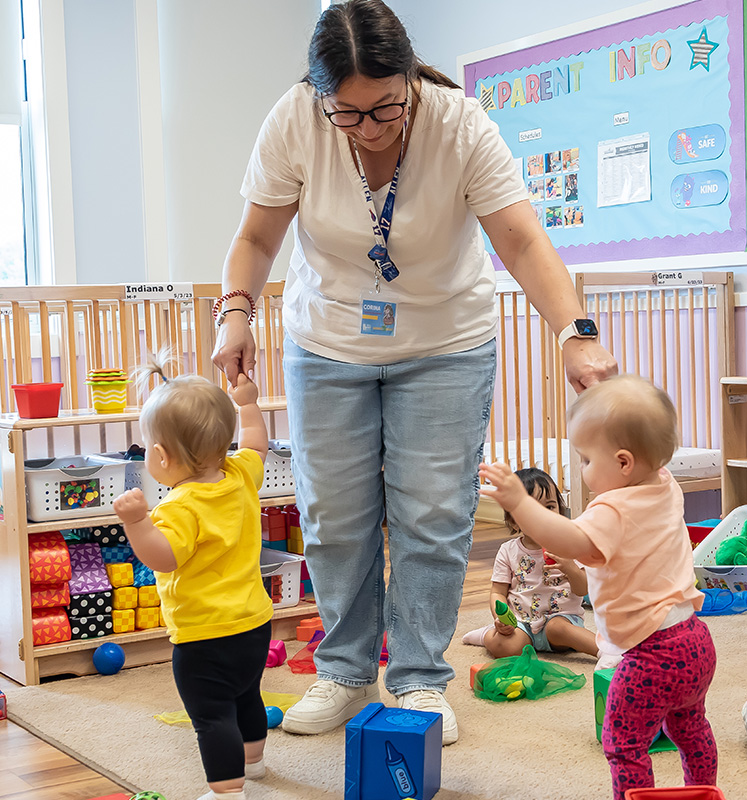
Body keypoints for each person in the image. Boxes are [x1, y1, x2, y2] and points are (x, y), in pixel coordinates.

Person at [211, 0, 617, 746]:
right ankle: (344, 669)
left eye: (386, 107)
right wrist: (234, 313)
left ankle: (421, 680)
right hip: (326, 343)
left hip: (445, 345)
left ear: (410, 80)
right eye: (349, 114)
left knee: (434, 517)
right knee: (334, 520)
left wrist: (575, 331)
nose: (370, 128)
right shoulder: (295, 120)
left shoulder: (459, 124)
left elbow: (523, 241)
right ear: (320, 95)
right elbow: (255, 236)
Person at [479, 375, 717, 798]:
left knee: (624, 746)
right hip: (695, 642)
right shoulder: (665, 484)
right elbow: (644, 434)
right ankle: (703, 788)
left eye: (587, 459)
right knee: (691, 726)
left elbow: (568, 539)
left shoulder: (612, 509)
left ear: (624, 463)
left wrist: (519, 502)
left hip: (650, 656)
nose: (583, 470)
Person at [113, 357, 272, 800]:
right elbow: (257, 443)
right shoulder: (240, 474)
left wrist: (137, 522)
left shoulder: (178, 510)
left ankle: (227, 791)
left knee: (211, 714)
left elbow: (162, 559)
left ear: (161, 456)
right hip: (254, 623)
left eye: (147, 445)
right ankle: (254, 762)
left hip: (204, 634)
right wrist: (248, 403)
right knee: (246, 695)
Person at [462, 467, 598, 661]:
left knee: (559, 628)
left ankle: (605, 651)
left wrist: (570, 567)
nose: (541, 516)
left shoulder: (570, 544)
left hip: (562, 620)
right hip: (521, 624)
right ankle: (487, 635)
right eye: (530, 510)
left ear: (560, 510)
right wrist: (501, 618)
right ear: (513, 520)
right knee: (506, 647)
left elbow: (582, 588)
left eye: (549, 507)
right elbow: (498, 592)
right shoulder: (508, 551)